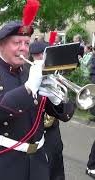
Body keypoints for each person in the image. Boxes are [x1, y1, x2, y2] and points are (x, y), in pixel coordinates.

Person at [0, 20, 75, 180]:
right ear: (1, 45)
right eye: (17, 42)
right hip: (0, 162)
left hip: (37, 161)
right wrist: (28, 88)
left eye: (26, 43)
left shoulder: (31, 71)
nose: (23, 48)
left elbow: (65, 115)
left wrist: (55, 99)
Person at [30, 41, 68, 180]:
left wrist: (57, 98)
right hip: (34, 131)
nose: (40, 58)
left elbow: (66, 114)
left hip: (52, 130)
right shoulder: (29, 74)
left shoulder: (56, 74)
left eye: (42, 54)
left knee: (56, 164)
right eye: (36, 55)